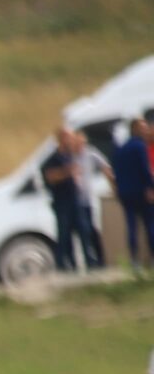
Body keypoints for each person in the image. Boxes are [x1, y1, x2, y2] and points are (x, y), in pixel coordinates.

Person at [116, 115, 154, 271]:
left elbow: (117, 171)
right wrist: (151, 186)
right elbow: (145, 170)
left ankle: (134, 259)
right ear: (135, 129)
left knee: (131, 226)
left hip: (125, 192)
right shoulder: (140, 147)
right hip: (141, 192)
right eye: (143, 128)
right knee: (149, 225)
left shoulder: (121, 148)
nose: (146, 131)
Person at [44, 129, 85, 273]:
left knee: (81, 232)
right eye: (69, 138)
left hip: (74, 200)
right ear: (62, 139)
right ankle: (62, 265)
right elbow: (51, 177)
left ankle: (75, 264)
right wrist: (68, 172)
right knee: (64, 234)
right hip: (62, 202)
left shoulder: (69, 156)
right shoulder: (53, 158)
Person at [74, 132, 111, 270]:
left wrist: (112, 185)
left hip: (87, 200)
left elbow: (105, 167)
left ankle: (99, 260)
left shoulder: (90, 154)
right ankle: (89, 262)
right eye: (77, 143)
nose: (80, 146)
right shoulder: (71, 156)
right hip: (75, 201)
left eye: (82, 143)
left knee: (91, 231)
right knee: (83, 232)